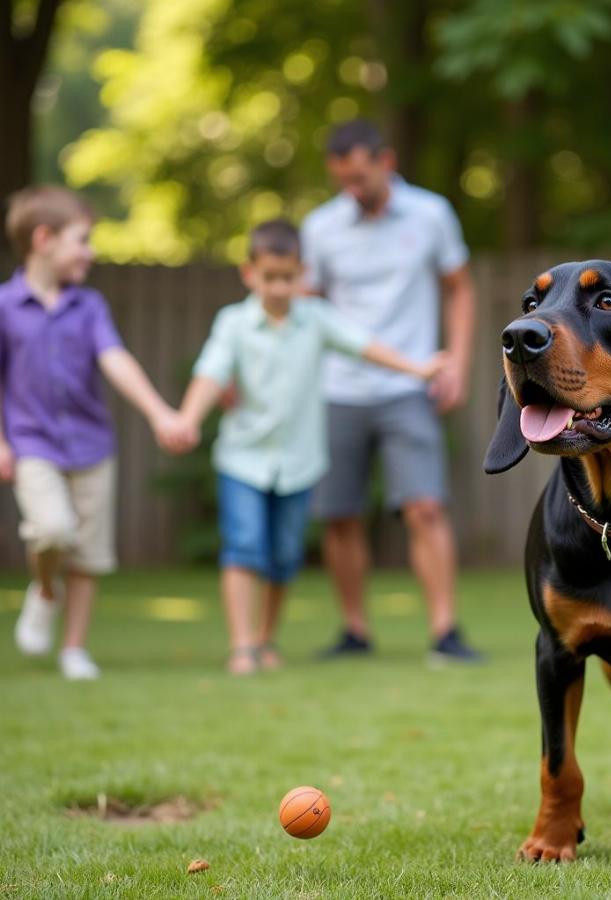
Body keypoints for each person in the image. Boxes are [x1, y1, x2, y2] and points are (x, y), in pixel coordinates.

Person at [178, 219, 445, 675]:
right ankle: (242, 646)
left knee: (283, 558)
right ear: (250, 274)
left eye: (288, 278)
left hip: (300, 463)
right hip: (243, 458)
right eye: (269, 278)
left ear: (301, 274)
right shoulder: (234, 323)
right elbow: (211, 374)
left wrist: (417, 370)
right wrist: (187, 419)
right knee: (244, 547)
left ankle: (265, 639)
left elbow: (365, 346)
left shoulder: (315, 320)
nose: (279, 288)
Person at [301, 119, 481, 664]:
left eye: (359, 176)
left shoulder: (430, 215)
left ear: (386, 161)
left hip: (410, 384)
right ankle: (355, 630)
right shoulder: (321, 227)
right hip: (338, 388)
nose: (351, 189)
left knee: (425, 506)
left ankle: (445, 632)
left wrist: (459, 364)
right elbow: (307, 308)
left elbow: (460, 289)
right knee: (340, 513)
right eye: (341, 180)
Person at [0, 185, 192, 680]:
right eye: (81, 240)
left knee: (88, 553)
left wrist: (158, 413)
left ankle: (74, 649)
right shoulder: (5, 307)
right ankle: (45, 590)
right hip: (32, 442)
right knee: (51, 529)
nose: (89, 252)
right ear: (44, 239)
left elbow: (116, 360)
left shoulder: (89, 308)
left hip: (91, 445)